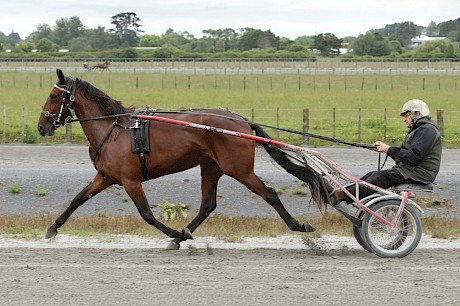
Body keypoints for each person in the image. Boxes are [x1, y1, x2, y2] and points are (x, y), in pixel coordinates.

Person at [330, 99, 442, 205]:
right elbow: (405, 156)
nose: (404, 119)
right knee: (373, 175)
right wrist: (386, 150)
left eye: (406, 115)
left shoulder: (427, 130)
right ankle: (342, 193)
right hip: (411, 170)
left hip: (420, 173)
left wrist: (389, 149)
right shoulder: (420, 129)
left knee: (380, 177)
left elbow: (413, 157)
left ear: (416, 114)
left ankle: (340, 196)